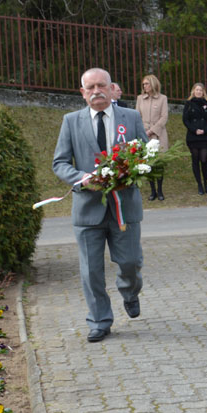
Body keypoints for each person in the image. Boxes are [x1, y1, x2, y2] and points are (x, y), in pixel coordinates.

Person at [52, 67, 148, 342]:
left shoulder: (131, 117)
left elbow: (145, 153)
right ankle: (99, 320)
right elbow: (60, 163)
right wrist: (81, 178)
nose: (97, 91)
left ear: (111, 88)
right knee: (91, 271)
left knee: (130, 262)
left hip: (125, 206)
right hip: (87, 209)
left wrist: (133, 170)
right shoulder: (71, 121)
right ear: (82, 93)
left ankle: (129, 291)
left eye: (101, 85)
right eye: (91, 87)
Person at [136, 74, 170, 201]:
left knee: (159, 163)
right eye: (143, 84)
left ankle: (160, 190)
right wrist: (143, 131)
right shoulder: (140, 98)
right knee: (148, 162)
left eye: (147, 83)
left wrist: (152, 130)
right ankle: (152, 191)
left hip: (158, 134)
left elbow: (164, 117)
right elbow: (137, 116)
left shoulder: (162, 98)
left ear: (153, 84)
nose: (144, 86)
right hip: (144, 134)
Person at [182, 82, 207, 194]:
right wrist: (194, 130)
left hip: (205, 136)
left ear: (203, 92)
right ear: (193, 91)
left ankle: (206, 183)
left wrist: (204, 130)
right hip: (193, 137)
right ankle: (199, 185)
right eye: (197, 90)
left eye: (200, 90)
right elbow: (185, 120)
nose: (198, 92)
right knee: (195, 160)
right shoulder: (189, 104)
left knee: (204, 159)